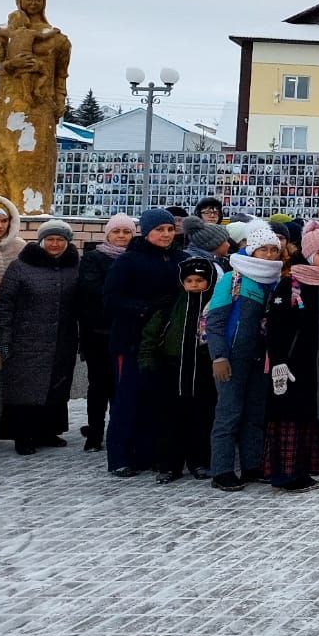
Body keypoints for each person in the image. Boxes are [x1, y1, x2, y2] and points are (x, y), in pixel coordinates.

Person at [264, 222, 319, 493]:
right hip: (294, 363)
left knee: (314, 414)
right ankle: (285, 472)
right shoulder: (291, 284)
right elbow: (276, 326)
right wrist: (279, 360)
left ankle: (308, 465)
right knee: (291, 416)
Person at [204, 220, 285, 490]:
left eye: (274, 251)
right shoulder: (233, 278)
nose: (270, 256)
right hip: (232, 357)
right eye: (264, 250)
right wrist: (218, 356)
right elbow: (213, 321)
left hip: (261, 357)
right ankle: (222, 470)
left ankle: (251, 465)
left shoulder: (275, 281)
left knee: (255, 412)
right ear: (251, 251)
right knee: (228, 412)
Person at [103, 208, 183, 476]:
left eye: (170, 229)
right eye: (160, 230)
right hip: (132, 341)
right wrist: (144, 308)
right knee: (128, 399)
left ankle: (147, 452)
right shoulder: (129, 261)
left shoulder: (179, 259)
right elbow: (111, 299)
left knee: (156, 400)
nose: (166, 234)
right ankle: (120, 456)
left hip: (165, 342)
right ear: (146, 231)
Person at [0, 218, 79, 455]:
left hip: (62, 338)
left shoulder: (73, 266)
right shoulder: (21, 266)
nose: (54, 244)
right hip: (26, 338)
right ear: (41, 241)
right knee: (26, 388)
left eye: (60, 240)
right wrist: (4, 334)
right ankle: (23, 435)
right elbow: (4, 303)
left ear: (67, 242)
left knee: (56, 386)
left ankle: (48, 431)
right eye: (50, 239)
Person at [138, 255, 217, 483]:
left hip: (202, 370)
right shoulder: (170, 306)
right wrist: (148, 363)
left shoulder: (213, 305)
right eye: (190, 280)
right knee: (169, 420)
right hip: (172, 369)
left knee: (201, 418)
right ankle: (169, 465)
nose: (194, 285)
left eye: (200, 280)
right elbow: (150, 336)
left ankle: (199, 461)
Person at [76, 212, 134, 451]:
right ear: (108, 234)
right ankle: (94, 434)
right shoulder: (93, 258)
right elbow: (94, 290)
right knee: (99, 385)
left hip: (127, 332)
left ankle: (119, 433)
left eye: (126, 232)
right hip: (98, 332)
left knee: (122, 386)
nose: (121, 236)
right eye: (117, 231)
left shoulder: (135, 258)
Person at [0, 195, 26, 447]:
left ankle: (0, 425)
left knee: (2, 377)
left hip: (10, 322)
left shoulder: (20, 247)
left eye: (4, 221)